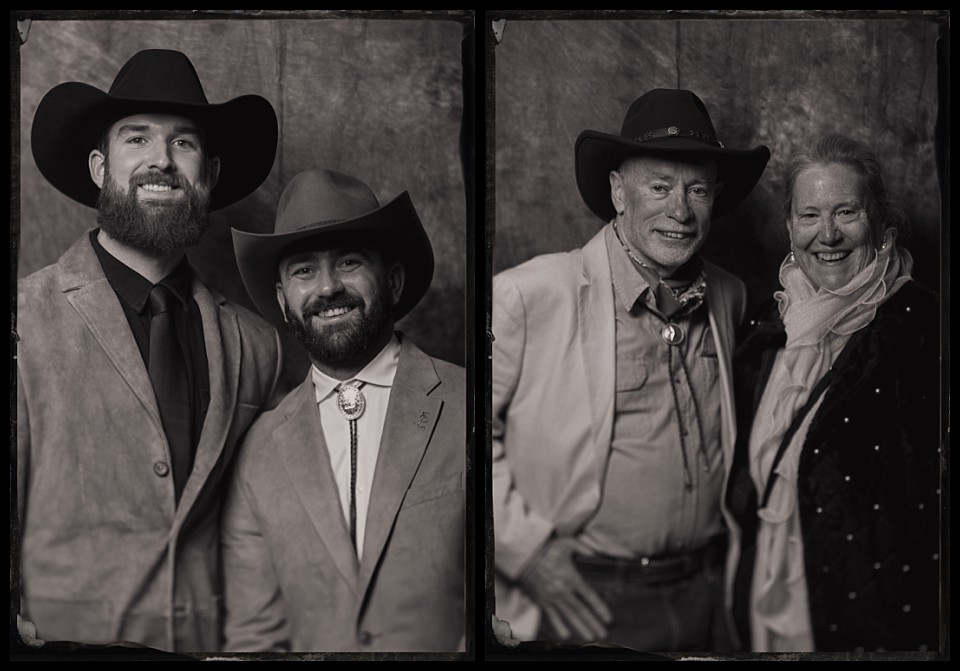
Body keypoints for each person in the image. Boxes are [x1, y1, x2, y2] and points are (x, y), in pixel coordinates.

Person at [16, 49, 285, 652]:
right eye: (136, 139)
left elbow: (260, 534)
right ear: (98, 166)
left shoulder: (257, 345)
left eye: (183, 143)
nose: (160, 161)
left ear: (208, 174)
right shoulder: (24, 321)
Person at [492, 89, 770, 650]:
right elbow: (464, 437)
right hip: (591, 601)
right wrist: (527, 550)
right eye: (660, 186)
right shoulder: (528, 294)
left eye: (697, 189)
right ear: (619, 192)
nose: (680, 211)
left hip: (714, 592)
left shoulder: (731, 297)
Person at [222, 168, 466, 652]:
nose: (328, 288)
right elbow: (254, 635)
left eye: (349, 262)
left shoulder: (472, 405)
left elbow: (513, 595)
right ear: (283, 300)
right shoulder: (259, 452)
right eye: (304, 270)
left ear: (393, 281)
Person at [726, 135, 941, 653]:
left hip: (870, 630)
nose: (828, 234)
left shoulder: (924, 331)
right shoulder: (766, 328)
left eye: (847, 211)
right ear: (789, 230)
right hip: (761, 614)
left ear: (882, 225)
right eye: (809, 216)